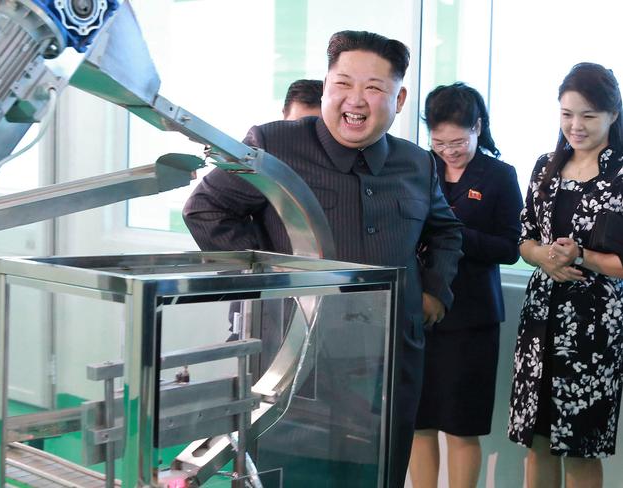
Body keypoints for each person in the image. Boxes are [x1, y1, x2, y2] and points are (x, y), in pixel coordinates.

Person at [184, 30, 463, 488]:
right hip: (297, 361)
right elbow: (206, 208)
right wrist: (268, 277)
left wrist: (435, 290)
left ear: (399, 97)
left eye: (374, 88)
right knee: (291, 475)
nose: (356, 100)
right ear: (327, 83)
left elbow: (445, 230)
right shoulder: (273, 145)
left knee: (380, 475)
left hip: (388, 365)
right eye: (343, 83)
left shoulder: (417, 163)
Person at [507, 63, 623, 488]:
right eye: (567, 114)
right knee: (536, 442)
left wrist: (582, 256)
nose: (576, 126)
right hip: (540, 318)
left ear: (612, 114)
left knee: (579, 446)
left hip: (594, 328)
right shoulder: (544, 167)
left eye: (588, 116)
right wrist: (544, 257)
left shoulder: (620, 174)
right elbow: (523, 239)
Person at [409, 83, 523, 488]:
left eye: (458, 141)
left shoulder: (499, 175)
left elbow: (511, 248)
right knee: (418, 424)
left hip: (472, 317)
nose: (449, 150)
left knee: (461, 427)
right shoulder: (420, 166)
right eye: (439, 142)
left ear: (478, 127)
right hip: (420, 309)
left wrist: (455, 234)